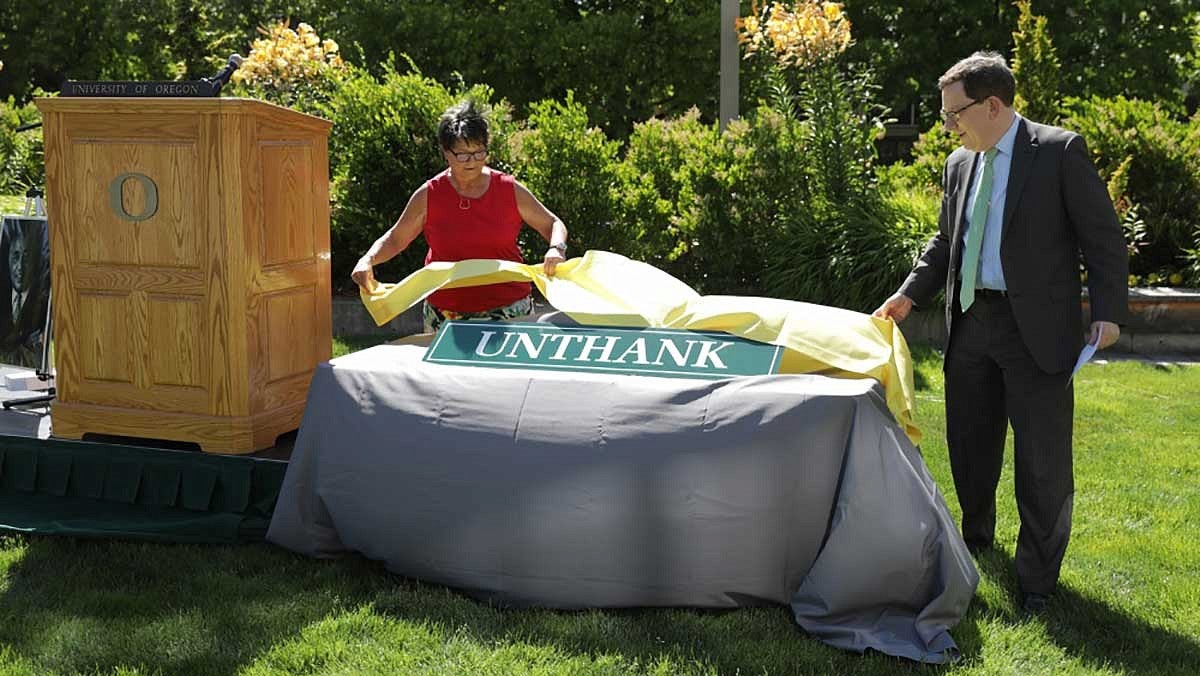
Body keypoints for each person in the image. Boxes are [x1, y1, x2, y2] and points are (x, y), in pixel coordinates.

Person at [873, 52, 1128, 614]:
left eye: (954, 114)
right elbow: (945, 243)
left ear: (993, 105)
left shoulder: (1059, 152)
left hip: (1036, 330)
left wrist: (1108, 311)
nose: (949, 126)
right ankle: (978, 543)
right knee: (969, 446)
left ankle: (1036, 580)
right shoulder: (960, 164)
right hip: (971, 325)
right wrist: (910, 294)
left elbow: (1103, 239)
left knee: (1041, 461)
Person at [351, 99, 569, 332]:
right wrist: (368, 260)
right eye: (463, 155)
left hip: (508, 308)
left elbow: (553, 223)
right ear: (446, 152)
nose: (472, 161)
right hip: (445, 313)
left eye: (479, 152)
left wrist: (556, 247)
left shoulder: (508, 188)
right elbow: (396, 238)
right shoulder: (430, 194)